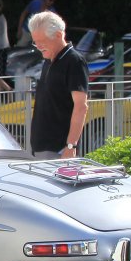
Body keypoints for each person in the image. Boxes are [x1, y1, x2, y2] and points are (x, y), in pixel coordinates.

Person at [28, 10, 88, 158]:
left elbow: (81, 106)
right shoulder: (48, 60)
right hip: (40, 145)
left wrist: (71, 145)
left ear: (59, 35)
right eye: (35, 42)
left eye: (42, 41)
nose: (38, 46)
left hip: (59, 148)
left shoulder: (74, 61)